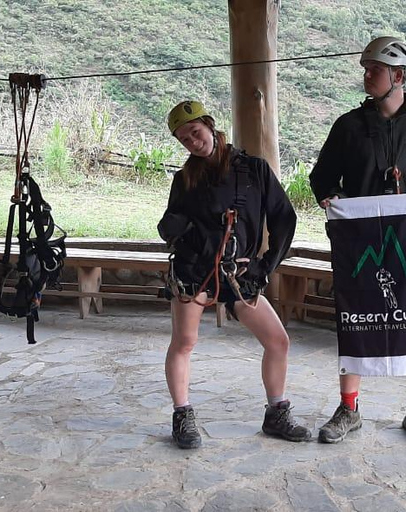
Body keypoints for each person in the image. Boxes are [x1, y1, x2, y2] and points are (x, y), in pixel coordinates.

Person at [309, 36, 406, 445]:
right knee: (354, 314)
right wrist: (330, 197)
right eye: (366, 68)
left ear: (399, 75)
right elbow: (322, 177)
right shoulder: (348, 127)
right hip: (361, 244)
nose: (366, 75)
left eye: (374, 69)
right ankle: (349, 407)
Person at [157, 100, 311, 449]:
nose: (192, 142)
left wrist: (265, 266)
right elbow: (169, 223)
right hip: (195, 270)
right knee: (184, 342)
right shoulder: (185, 178)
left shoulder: (254, 170)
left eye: (195, 133)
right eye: (184, 139)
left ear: (210, 126)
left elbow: (284, 218)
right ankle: (182, 415)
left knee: (278, 341)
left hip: (240, 272)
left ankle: (277, 413)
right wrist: (174, 227)